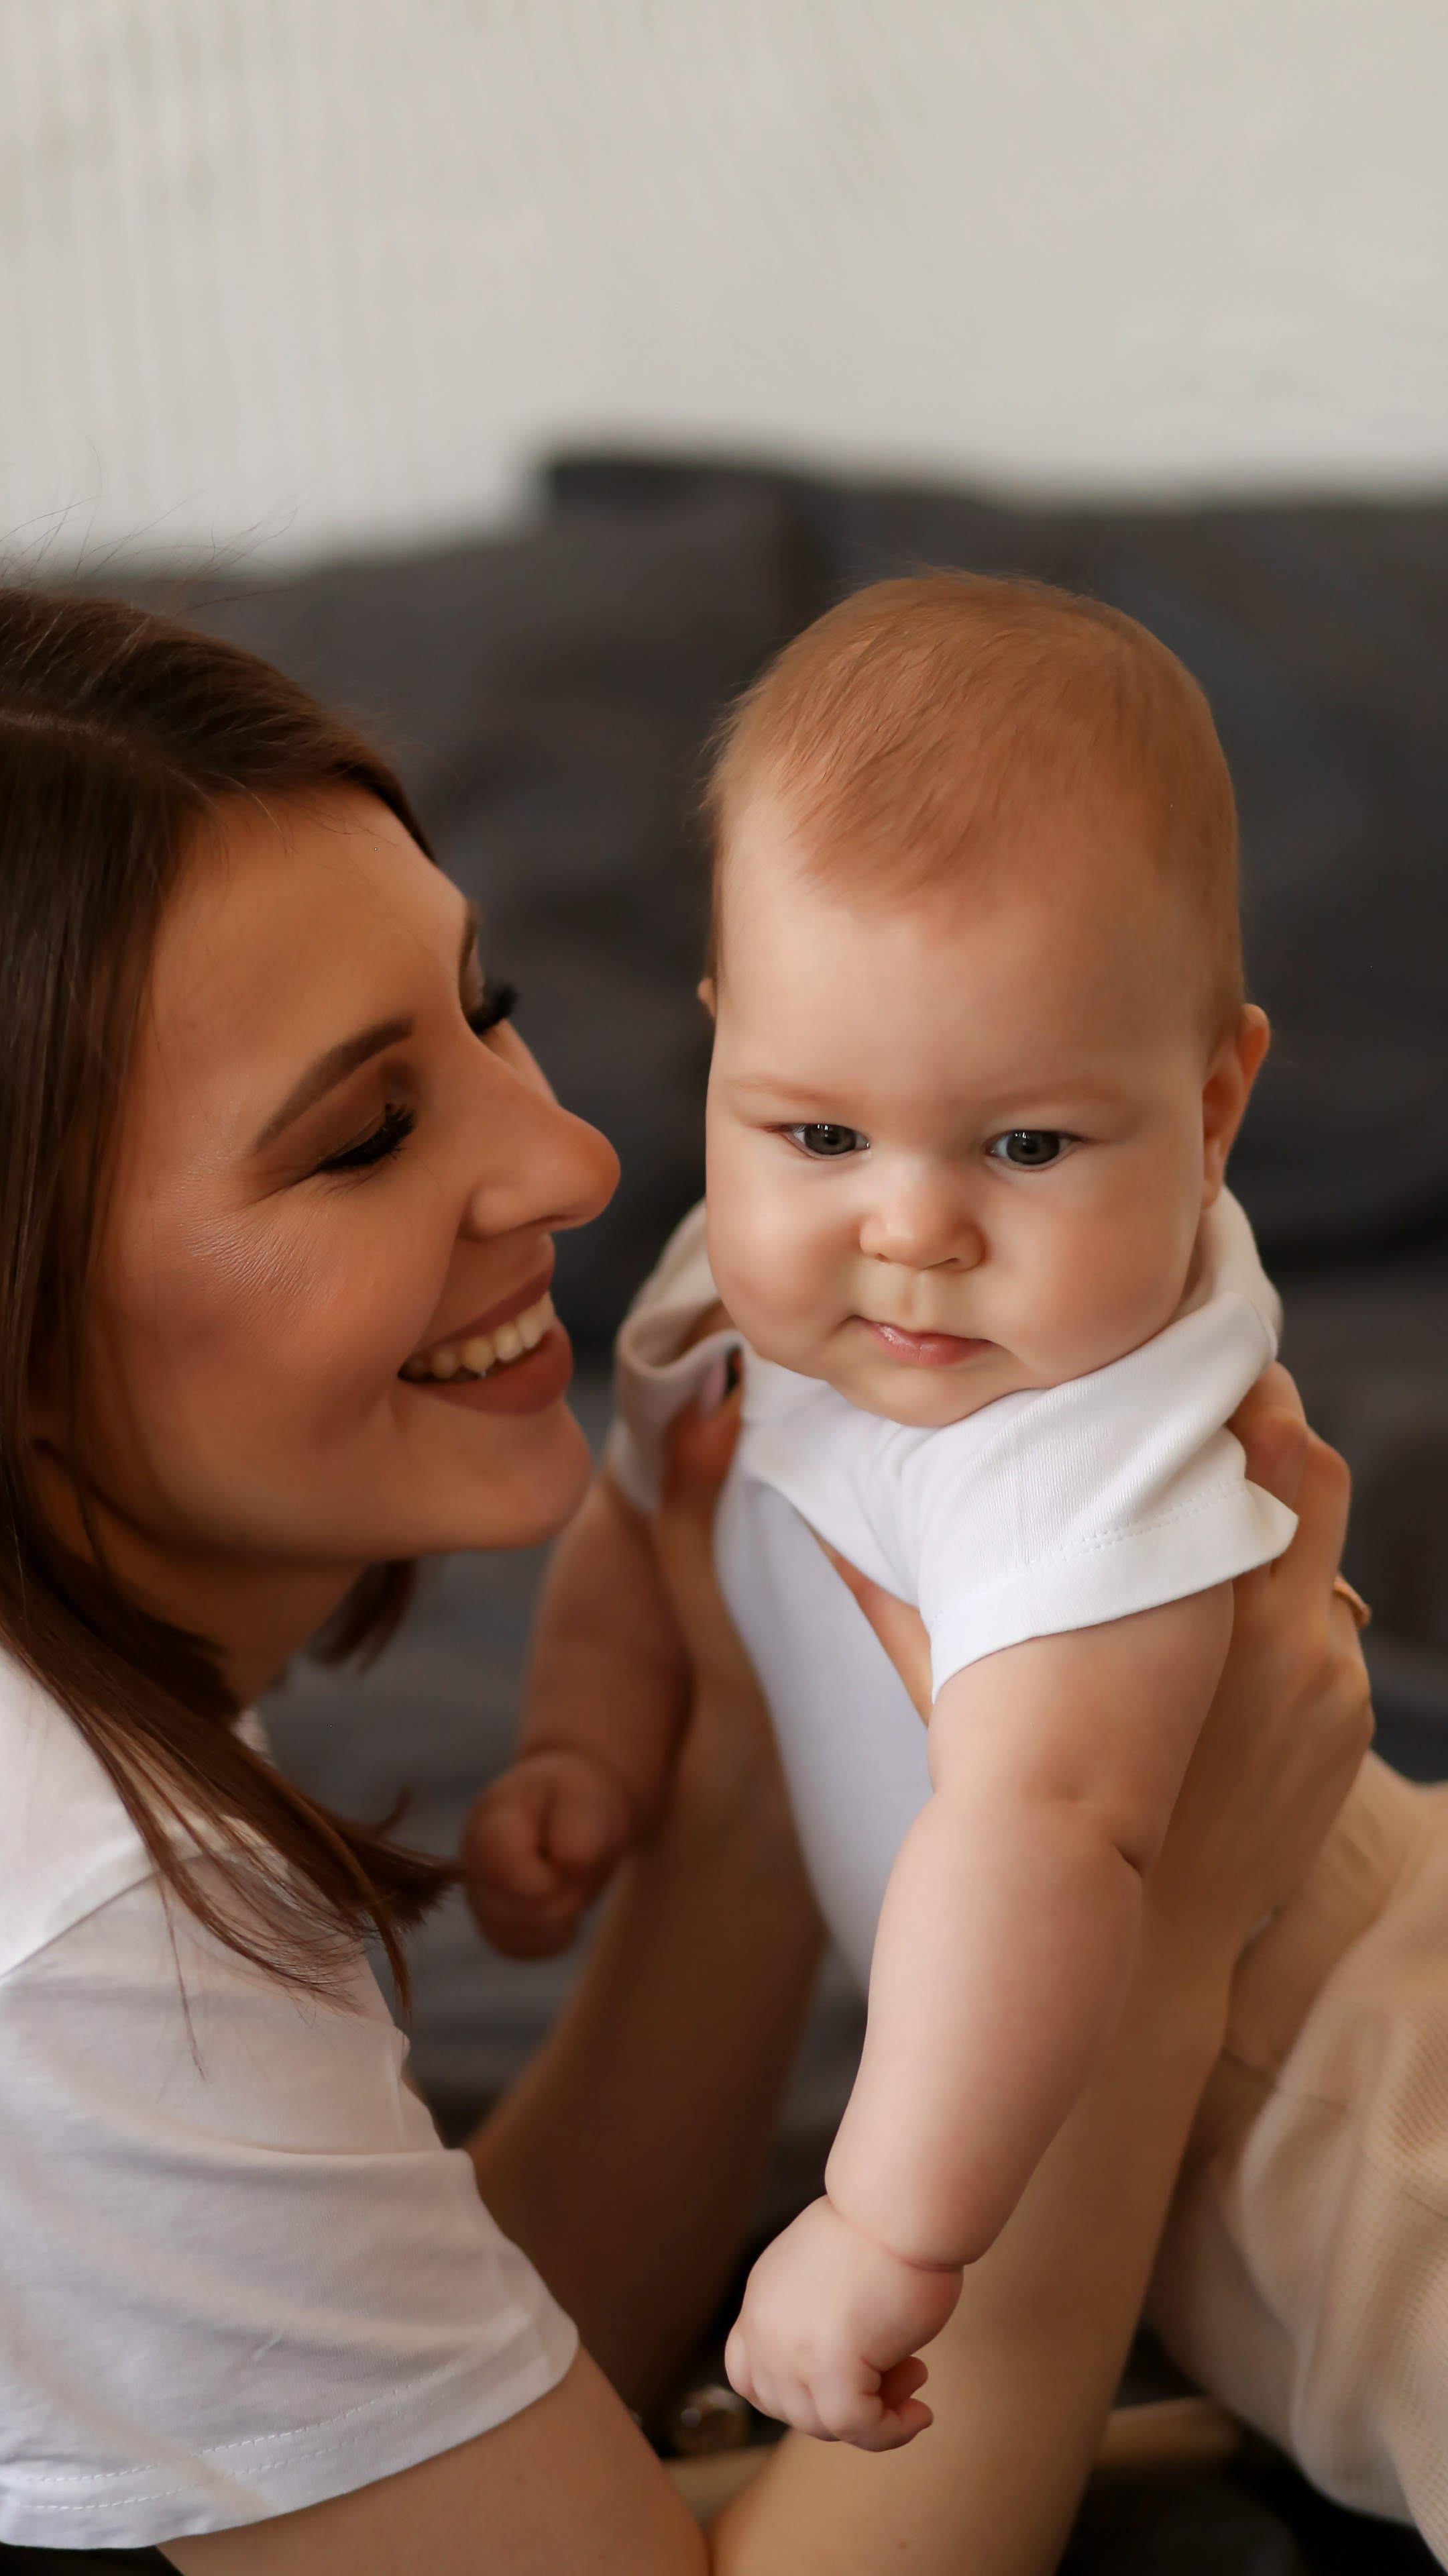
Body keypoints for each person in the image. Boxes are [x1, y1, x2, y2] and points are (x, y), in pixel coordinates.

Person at [0, 589, 1366, 2576]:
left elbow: (435, 2418)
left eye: (485, 1007)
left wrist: (741, 1781)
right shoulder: (42, 1927)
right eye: (362, 1140)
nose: (578, 1162)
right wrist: (1149, 1962)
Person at [465, 577, 1448, 2548]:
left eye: (1026, 1150)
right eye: (820, 1130)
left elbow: (1048, 1839)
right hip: (1166, 2143)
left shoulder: (1075, 1445)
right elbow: (655, 1503)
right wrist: (591, 1740)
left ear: (1214, 1103)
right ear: (725, 1054)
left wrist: (888, 2227)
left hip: (1365, 2106)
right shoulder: (743, 1287)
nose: (908, 1230)